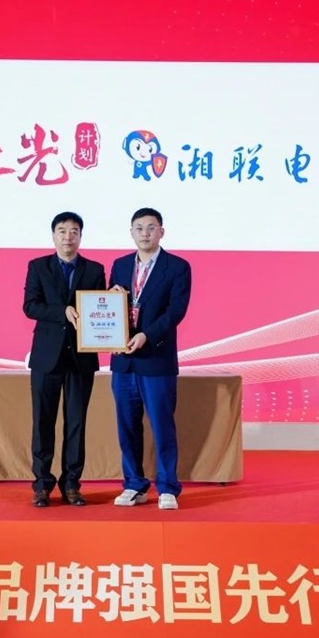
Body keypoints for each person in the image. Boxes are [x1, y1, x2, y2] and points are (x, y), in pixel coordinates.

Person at [23, 211, 107, 508]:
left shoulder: (94, 269)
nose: (68, 237)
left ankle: (71, 484)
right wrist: (62, 312)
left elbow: (101, 309)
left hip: (81, 357)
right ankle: (42, 485)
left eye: (74, 231)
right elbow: (30, 306)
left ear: (80, 236)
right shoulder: (38, 266)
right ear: (53, 235)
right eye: (62, 231)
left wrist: (114, 300)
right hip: (46, 357)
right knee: (42, 422)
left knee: (76, 424)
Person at [109, 207, 191, 510]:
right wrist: (110, 326)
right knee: (127, 425)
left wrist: (146, 335)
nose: (145, 233)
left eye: (151, 227)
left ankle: (168, 486)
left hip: (156, 357)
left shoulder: (177, 267)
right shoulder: (119, 265)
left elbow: (175, 311)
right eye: (139, 228)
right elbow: (109, 306)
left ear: (161, 232)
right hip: (123, 360)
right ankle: (134, 484)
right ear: (131, 232)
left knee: (161, 424)